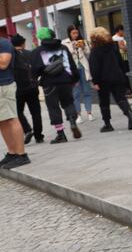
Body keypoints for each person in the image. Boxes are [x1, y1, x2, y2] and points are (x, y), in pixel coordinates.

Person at [30, 27, 82, 144]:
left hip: (49, 83)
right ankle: (73, 121)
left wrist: (35, 78)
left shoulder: (38, 51)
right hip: (65, 81)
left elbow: (35, 70)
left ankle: (60, 134)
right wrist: (75, 79)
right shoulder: (63, 47)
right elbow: (71, 64)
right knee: (68, 102)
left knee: (53, 107)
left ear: (40, 37)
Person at [88, 26, 132, 132]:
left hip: (103, 80)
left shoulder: (95, 51)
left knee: (104, 101)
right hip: (117, 76)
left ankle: (107, 124)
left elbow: (94, 67)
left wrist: (95, 81)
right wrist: (122, 74)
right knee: (121, 98)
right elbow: (120, 61)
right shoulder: (114, 46)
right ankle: (129, 114)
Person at [0, 35, 31, 170]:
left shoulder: (4, 43)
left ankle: (22, 154)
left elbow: (3, 64)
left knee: (12, 119)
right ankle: (12, 153)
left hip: (4, 86)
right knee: (2, 121)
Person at [11, 34, 43, 144]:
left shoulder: (11, 56)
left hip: (18, 88)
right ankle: (39, 136)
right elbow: (38, 68)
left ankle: (27, 129)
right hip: (32, 86)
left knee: (18, 111)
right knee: (36, 112)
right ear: (23, 43)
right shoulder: (31, 54)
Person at [62, 25, 93, 123]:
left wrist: (83, 47)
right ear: (69, 33)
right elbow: (64, 56)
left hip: (83, 69)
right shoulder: (65, 42)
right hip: (73, 70)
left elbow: (88, 52)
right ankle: (78, 115)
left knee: (87, 91)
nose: (75, 35)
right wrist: (73, 48)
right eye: (73, 33)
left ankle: (89, 113)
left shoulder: (83, 41)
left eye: (77, 33)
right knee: (76, 93)